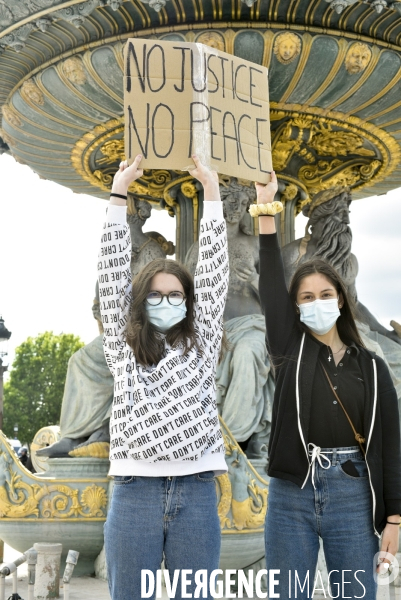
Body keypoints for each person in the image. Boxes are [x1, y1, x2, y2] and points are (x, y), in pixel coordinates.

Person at [255, 172, 401, 598]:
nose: (315, 303)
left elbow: (391, 448)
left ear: (340, 300)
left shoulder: (373, 367)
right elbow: (268, 284)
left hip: (353, 492)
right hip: (291, 493)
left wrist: (394, 520)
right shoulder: (288, 347)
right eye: (305, 297)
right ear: (295, 307)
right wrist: (267, 211)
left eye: (324, 294)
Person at [99, 154, 229, 600]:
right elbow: (112, 272)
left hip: (196, 491)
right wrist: (119, 194)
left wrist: (212, 191)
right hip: (134, 492)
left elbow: (214, 271)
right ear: (140, 302)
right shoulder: (123, 346)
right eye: (156, 295)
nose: (167, 301)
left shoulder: (204, 340)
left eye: (176, 295)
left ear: (189, 303)